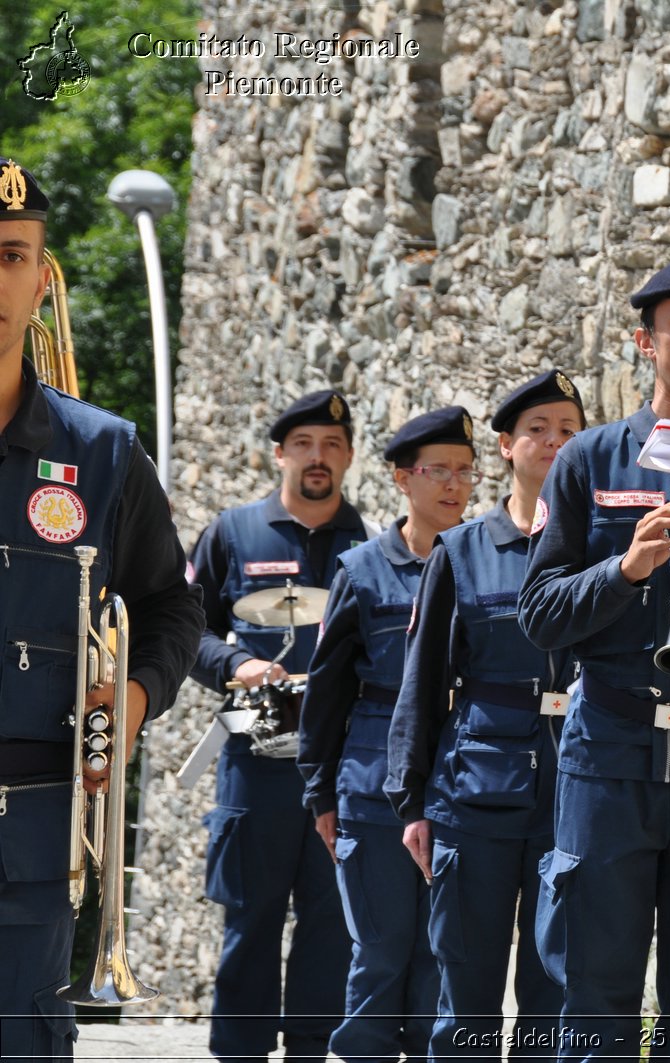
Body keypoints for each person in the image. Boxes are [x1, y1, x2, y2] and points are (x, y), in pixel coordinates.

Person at [520, 246, 670, 1061]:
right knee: (594, 985)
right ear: (644, 342)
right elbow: (541, 615)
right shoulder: (590, 458)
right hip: (608, 749)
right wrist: (625, 569)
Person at [0, 157, 204, 1060]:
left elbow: (168, 606)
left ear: (43, 281)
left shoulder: (104, 451)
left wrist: (130, 701)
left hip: (38, 829)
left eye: (12, 256)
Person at [385, 372, 585, 1060]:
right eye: (538, 428)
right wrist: (412, 801)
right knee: (466, 990)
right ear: (506, 445)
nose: (554, 442)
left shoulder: (603, 550)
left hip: (577, 789)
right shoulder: (462, 550)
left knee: (554, 992)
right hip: (476, 792)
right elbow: (423, 681)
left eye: (568, 429)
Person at [189, 387, 373, 1063]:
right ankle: (237, 1052)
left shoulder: (369, 544)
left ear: (349, 455)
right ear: (279, 453)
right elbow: (186, 628)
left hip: (340, 765)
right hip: (254, 762)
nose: (317, 457)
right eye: (303, 444)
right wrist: (237, 662)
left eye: (331, 444)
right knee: (251, 918)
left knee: (332, 922)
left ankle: (312, 1051)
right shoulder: (232, 533)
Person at [297, 406, 477, 1061]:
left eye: (465, 471)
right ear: (404, 479)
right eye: (438, 471)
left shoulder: (485, 558)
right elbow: (328, 688)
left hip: (460, 784)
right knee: (379, 951)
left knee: (445, 957)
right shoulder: (363, 568)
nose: (454, 485)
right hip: (372, 789)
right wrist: (320, 792)